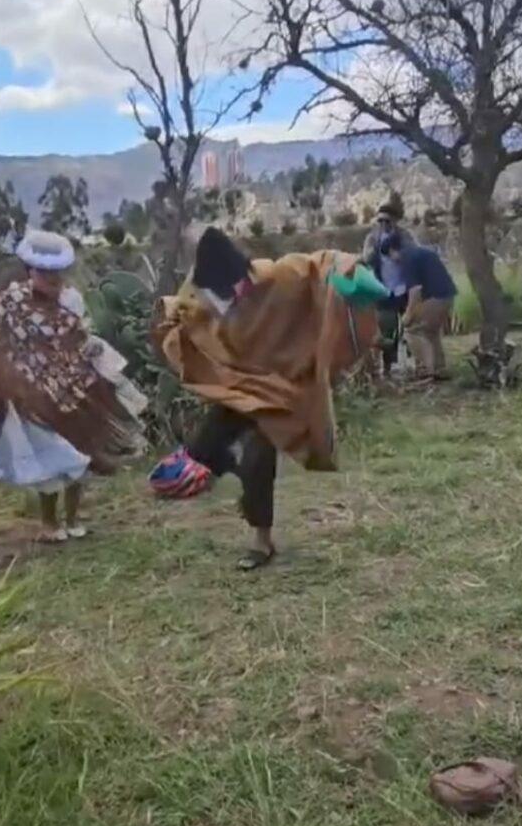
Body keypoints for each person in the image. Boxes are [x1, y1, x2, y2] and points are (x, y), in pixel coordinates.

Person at [153, 227, 380, 570]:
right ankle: (231, 467)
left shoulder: (277, 276)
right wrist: (173, 318)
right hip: (240, 386)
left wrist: (352, 270)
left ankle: (262, 542)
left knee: (258, 458)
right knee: (204, 448)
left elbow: (321, 265)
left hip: (281, 389)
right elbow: (186, 312)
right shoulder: (203, 289)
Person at [0, 230, 143, 543]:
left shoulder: (71, 298)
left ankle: (74, 517)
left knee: (81, 448)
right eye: (43, 272)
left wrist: (90, 350)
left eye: (55, 272)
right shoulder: (11, 301)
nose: (51, 278)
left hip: (75, 383)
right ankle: (49, 523)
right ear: (30, 271)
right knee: (52, 453)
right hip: (32, 388)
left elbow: (81, 334)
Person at [381, 235, 457, 381]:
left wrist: (408, 315)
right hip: (447, 295)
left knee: (413, 330)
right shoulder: (420, 251)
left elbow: (415, 290)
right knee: (431, 332)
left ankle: (426, 370)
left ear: (392, 251)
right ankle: (439, 368)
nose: (393, 261)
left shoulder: (407, 259)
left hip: (436, 297)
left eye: (391, 257)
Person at [362, 202, 416, 377]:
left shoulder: (405, 236)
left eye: (387, 221)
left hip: (405, 289)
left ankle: (416, 364)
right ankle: (388, 367)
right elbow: (366, 258)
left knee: (412, 328)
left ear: (394, 220)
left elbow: (414, 256)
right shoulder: (372, 238)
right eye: (380, 221)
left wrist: (397, 254)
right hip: (383, 290)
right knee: (387, 331)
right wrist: (377, 249)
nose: (383, 224)